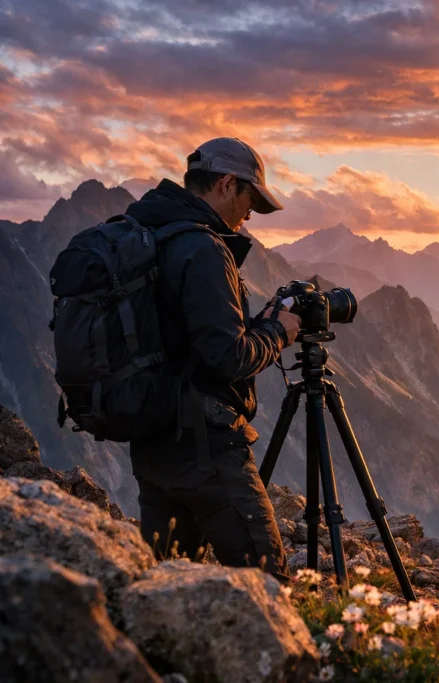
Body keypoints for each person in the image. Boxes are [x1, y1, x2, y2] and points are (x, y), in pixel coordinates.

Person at [124, 137, 301, 581]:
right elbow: (227, 357)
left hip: (152, 446)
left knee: (166, 591)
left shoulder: (145, 233)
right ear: (226, 184)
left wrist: (254, 326)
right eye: (249, 202)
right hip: (206, 450)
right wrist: (279, 332)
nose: (249, 217)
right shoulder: (202, 248)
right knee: (268, 588)